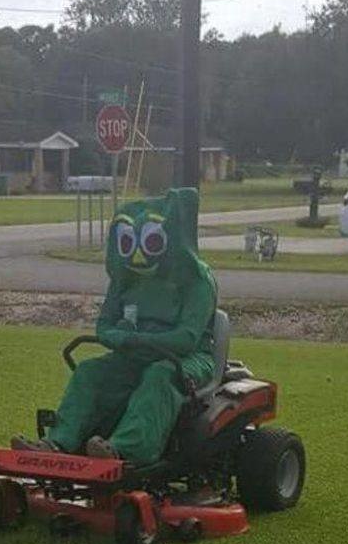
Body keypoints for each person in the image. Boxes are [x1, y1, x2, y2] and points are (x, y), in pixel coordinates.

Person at [12, 187, 217, 467]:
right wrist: (119, 337)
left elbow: (187, 339)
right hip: (136, 354)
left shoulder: (197, 280)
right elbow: (104, 325)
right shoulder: (126, 279)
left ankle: (125, 450)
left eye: (152, 242)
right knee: (89, 371)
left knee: (159, 375)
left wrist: (133, 339)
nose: (138, 256)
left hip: (187, 360)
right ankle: (58, 442)